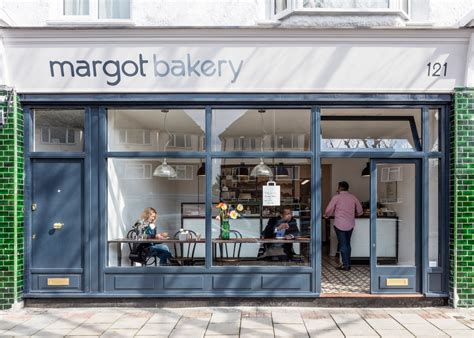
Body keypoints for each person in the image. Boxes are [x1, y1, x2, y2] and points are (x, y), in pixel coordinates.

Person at [324, 181, 363, 271]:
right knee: (347, 244)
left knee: (343, 244)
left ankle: (346, 265)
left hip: (339, 224)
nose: (337, 188)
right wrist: (355, 214)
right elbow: (360, 211)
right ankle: (347, 263)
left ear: (340, 188)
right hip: (350, 224)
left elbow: (328, 210)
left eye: (338, 187)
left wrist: (327, 215)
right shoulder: (353, 197)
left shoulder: (336, 197)